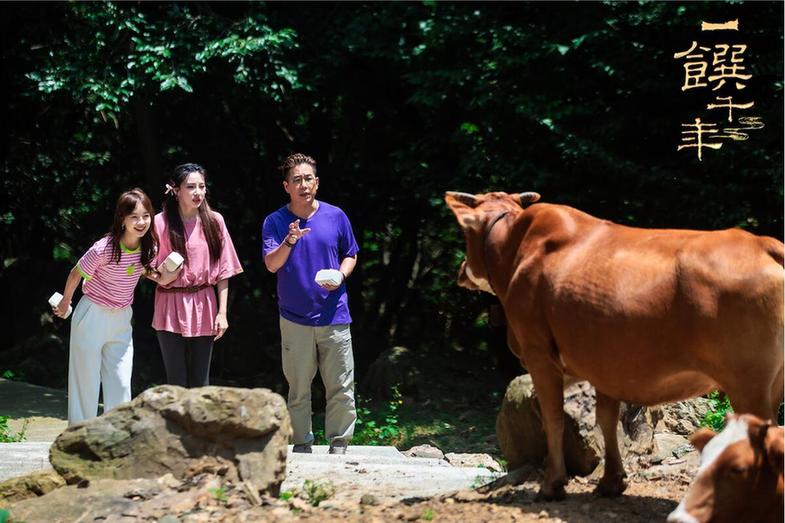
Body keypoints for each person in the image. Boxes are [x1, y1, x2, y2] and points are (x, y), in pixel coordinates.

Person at [53, 188, 179, 425]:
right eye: (134, 217)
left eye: (146, 216)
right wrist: (65, 302)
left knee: (121, 382)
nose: (141, 222)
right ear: (122, 219)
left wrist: (172, 272)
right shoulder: (104, 248)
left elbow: (159, 278)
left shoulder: (148, 248)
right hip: (92, 314)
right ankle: (79, 437)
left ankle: (118, 436)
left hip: (121, 318)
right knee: (86, 382)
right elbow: (75, 274)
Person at [262, 153, 359, 455]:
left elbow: (351, 253)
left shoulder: (336, 216)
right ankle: (301, 444)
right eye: (296, 180)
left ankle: (339, 443)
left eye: (308, 179)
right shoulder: (276, 221)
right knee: (298, 389)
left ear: (316, 183)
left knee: (341, 385)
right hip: (294, 317)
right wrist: (290, 240)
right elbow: (271, 265)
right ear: (286, 186)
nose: (303, 185)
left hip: (335, 313)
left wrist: (341, 276)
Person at [152, 163, 243, 388]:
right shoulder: (159, 222)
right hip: (169, 302)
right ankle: (176, 424)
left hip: (204, 303)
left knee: (201, 382)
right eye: (190, 187)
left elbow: (224, 270)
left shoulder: (215, 221)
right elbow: (145, 265)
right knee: (176, 382)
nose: (198, 192)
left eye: (201, 186)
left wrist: (222, 313)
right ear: (175, 190)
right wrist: (160, 278)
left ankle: (199, 425)